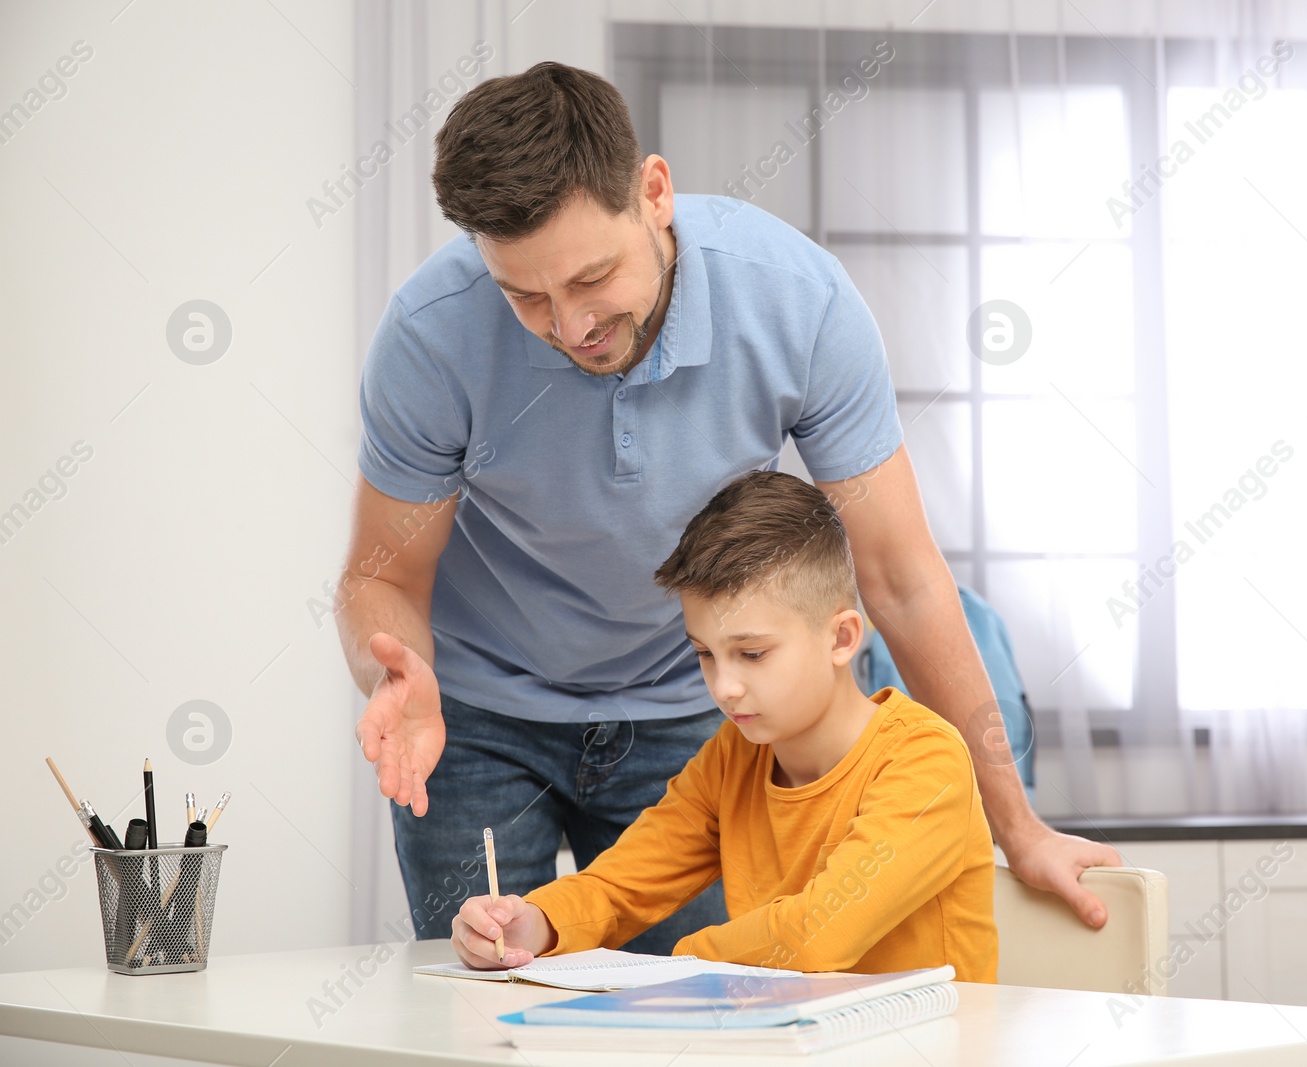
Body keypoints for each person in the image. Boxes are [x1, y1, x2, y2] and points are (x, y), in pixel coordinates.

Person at [339, 60, 1119, 952]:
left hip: (693, 710)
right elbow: (382, 576)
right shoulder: (430, 335)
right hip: (476, 716)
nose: (568, 327)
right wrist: (390, 672)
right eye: (525, 296)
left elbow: (901, 578)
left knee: (705, 1021)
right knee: (479, 1004)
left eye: (592, 278)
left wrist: (1015, 826)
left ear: (655, 193)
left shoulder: (799, 304)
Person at [450, 471, 998, 981]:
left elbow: (818, 936)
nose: (724, 687)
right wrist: (537, 922)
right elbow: (622, 884)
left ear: (841, 639)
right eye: (705, 654)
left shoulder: (927, 761)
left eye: (752, 654)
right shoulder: (732, 757)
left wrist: (679, 962)